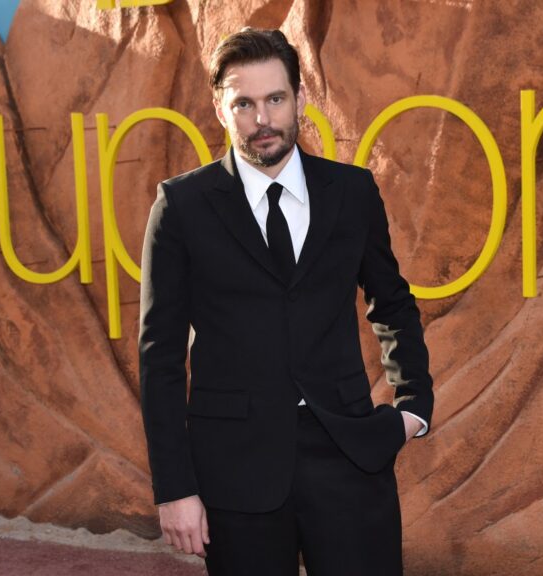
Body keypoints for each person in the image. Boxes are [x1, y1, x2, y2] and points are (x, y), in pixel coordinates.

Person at [138, 26, 433, 576]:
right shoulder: (181, 207)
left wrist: (413, 406)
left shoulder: (352, 192)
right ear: (220, 109)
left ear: (299, 98)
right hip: (234, 468)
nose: (262, 119)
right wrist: (174, 487)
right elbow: (160, 358)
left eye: (275, 99)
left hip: (349, 454)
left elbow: (391, 302)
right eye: (243, 104)